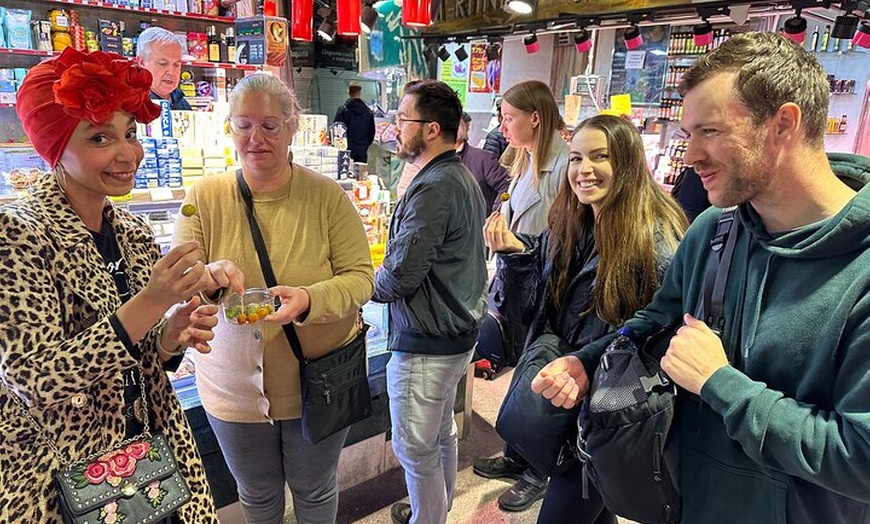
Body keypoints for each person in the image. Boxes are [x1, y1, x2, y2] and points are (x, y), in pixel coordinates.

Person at [532, 32, 870, 524]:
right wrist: (588, 361)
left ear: (783, 124)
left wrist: (720, 383)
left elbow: (861, 458)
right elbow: (658, 317)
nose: (690, 155)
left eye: (709, 131)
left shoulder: (860, 269)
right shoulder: (715, 229)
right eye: (688, 134)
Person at [0, 47, 230, 523]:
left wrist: (169, 335)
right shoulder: (17, 233)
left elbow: (139, 362)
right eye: (100, 137)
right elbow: (32, 379)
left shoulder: (132, 231)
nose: (129, 154)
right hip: (63, 481)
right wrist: (152, 301)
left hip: (151, 465)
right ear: (55, 147)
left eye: (130, 133)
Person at [172, 72, 374, 524]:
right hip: (233, 391)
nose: (255, 138)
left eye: (269, 125)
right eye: (243, 125)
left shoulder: (326, 197)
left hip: (318, 383)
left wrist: (309, 299)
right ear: (230, 128)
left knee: (315, 489)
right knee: (257, 494)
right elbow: (182, 278)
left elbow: (362, 279)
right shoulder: (203, 198)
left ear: (292, 128)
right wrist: (208, 277)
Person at [372, 80, 487, 524]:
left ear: (432, 128)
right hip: (455, 334)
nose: (396, 128)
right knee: (440, 432)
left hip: (427, 343)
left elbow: (399, 277)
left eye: (404, 119)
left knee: (414, 448)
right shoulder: (456, 175)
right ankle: (437, 507)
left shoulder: (435, 186)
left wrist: (355, 284)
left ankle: (429, 516)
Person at [473, 78, 570, 512]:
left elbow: (564, 238)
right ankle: (518, 453)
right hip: (522, 282)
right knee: (524, 371)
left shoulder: (565, 167)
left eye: (509, 118)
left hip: (551, 287)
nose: (502, 126)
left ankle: (539, 468)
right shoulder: (525, 159)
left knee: (546, 377)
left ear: (535, 117)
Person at [457, 111, 511, 213]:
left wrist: (495, 212)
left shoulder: (483, 159)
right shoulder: (430, 159)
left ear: (465, 127)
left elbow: (506, 185)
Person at [137, 27, 191, 111]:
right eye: (163, 64)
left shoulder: (182, 103)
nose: (171, 72)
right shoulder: (133, 105)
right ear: (142, 63)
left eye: (176, 65)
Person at [334, 83, 376, 164]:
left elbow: (337, 130)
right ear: (360, 93)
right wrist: (365, 145)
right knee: (360, 170)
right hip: (362, 149)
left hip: (346, 150)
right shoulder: (368, 112)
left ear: (348, 92)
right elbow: (372, 132)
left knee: (346, 170)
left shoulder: (343, 110)